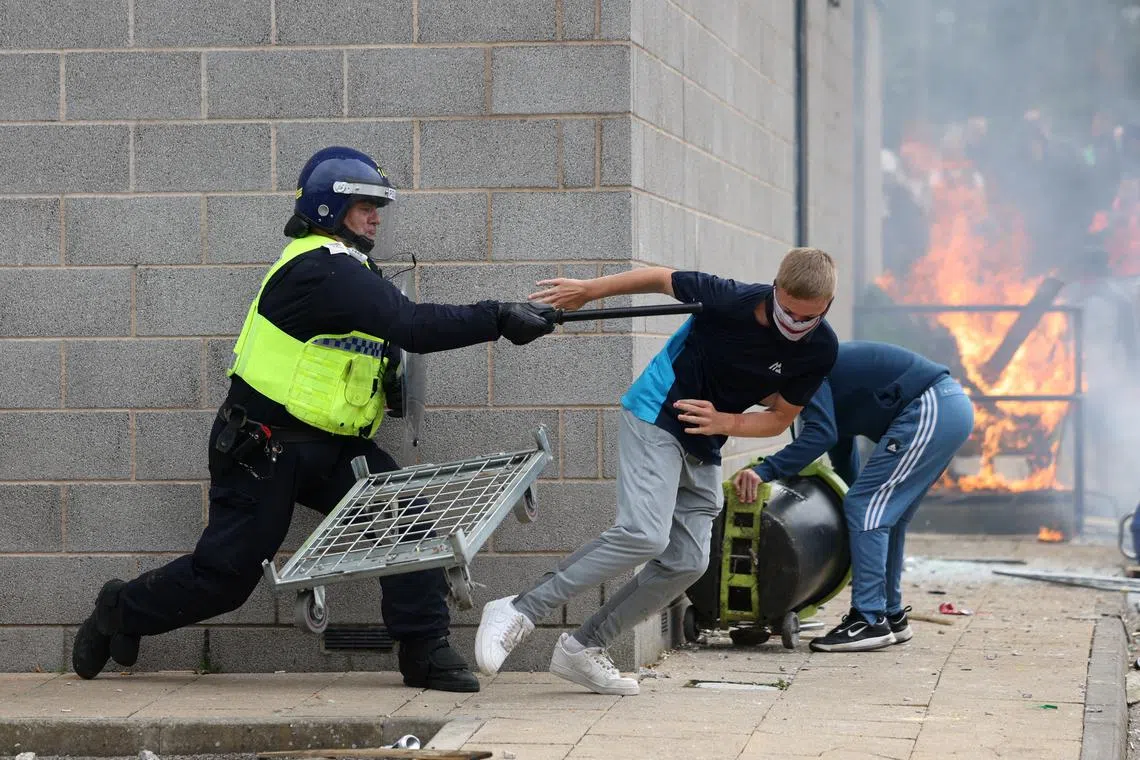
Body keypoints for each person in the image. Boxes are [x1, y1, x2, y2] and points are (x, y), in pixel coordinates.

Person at [71, 146, 557, 692]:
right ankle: (118, 611)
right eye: (365, 206)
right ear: (330, 208)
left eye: (379, 206)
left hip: (333, 446)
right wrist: (498, 318)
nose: (377, 216)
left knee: (408, 522)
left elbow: (373, 344)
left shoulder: (351, 268)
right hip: (265, 447)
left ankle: (424, 652)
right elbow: (413, 324)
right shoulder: (318, 268)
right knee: (224, 581)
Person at [474, 249, 839, 695]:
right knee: (644, 534)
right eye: (790, 313)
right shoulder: (730, 299)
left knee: (688, 561)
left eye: (810, 318)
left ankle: (583, 648)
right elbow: (661, 279)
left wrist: (727, 422)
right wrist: (590, 291)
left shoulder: (821, 348)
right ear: (776, 289)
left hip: (706, 439)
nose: (797, 326)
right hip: (657, 413)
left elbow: (782, 417)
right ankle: (519, 609)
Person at [731, 340, 974, 652]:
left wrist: (765, 470)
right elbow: (840, 446)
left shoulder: (801, 374)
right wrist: (854, 504)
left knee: (868, 508)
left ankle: (869, 619)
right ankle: (889, 614)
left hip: (932, 406)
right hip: (946, 409)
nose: (772, 412)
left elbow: (821, 436)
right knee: (884, 516)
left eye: (769, 406)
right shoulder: (808, 385)